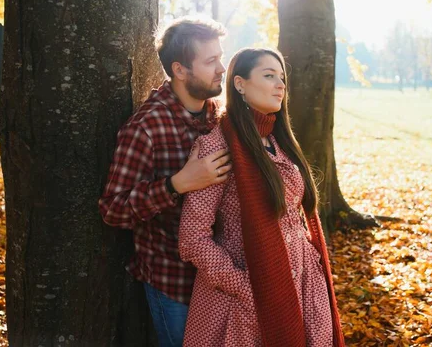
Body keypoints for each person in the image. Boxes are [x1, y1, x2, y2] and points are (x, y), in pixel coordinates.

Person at [178, 48, 344, 346]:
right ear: (239, 84)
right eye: (269, 76)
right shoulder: (218, 146)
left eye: (282, 77)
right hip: (245, 297)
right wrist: (245, 286)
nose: (281, 84)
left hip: (302, 287)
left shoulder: (278, 140)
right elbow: (192, 237)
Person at [99, 17, 233, 347]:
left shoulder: (218, 114)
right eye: (210, 61)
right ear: (180, 69)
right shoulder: (146, 127)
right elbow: (113, 210)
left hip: (220, 275)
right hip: (174, 283)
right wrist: (176, 185)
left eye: (221, 57)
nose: (222, 68)